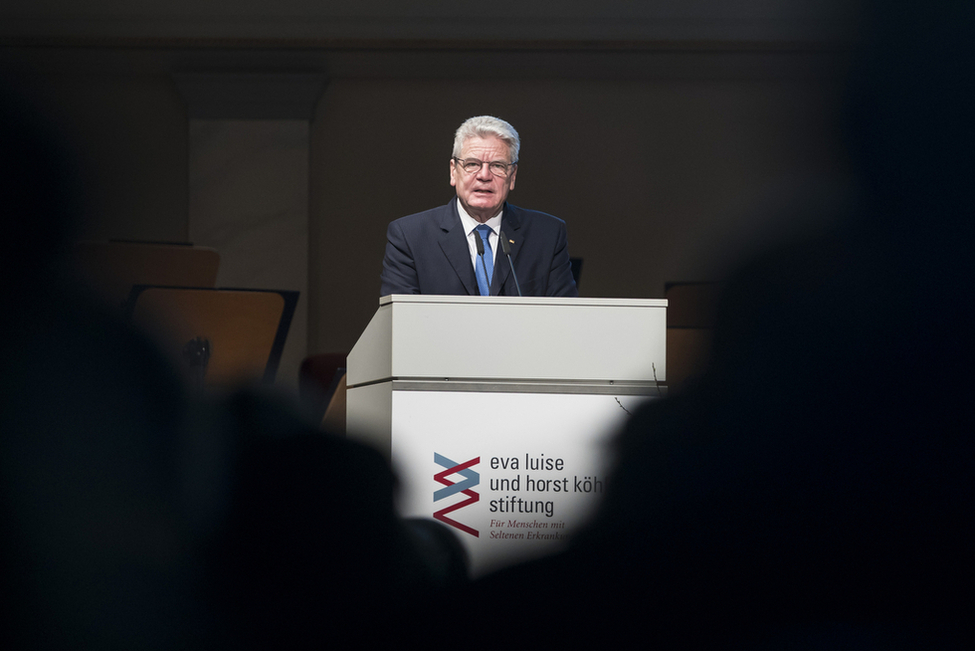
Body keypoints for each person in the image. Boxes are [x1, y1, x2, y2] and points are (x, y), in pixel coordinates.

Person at [380, 115, 578, 297]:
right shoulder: (410, 236)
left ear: (513, 176)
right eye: (472, 164)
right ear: (453, 171)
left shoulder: (547, 235)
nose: (484, 175)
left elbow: (564, 318)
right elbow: (400, 323)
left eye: (498, 166)